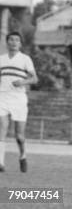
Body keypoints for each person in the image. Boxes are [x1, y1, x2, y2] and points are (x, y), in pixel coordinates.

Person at [0, 32, 38, 172]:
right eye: (11, 39)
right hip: (2, 97)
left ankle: (23, 155)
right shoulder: (1, 59)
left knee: (19, 136)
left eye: (17, 40)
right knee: (2, 128)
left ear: (20, 43)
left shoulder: (25, 59)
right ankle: (1, 162)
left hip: (19, 98)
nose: (14, 42)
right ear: (7, 42)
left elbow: (34, 79)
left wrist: (23, 81)